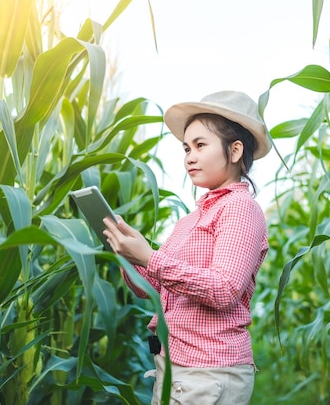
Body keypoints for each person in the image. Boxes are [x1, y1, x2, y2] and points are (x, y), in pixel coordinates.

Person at [102, 90, 271, 404]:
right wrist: (127, 254)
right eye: (186, 148)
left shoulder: (240, 208)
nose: (189, 157)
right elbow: (152, 288)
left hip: (208, 371)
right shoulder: (188, 222)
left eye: (200, 145)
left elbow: (224, 288)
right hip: (173, 366)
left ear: (235, 151)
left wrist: (149, 256)